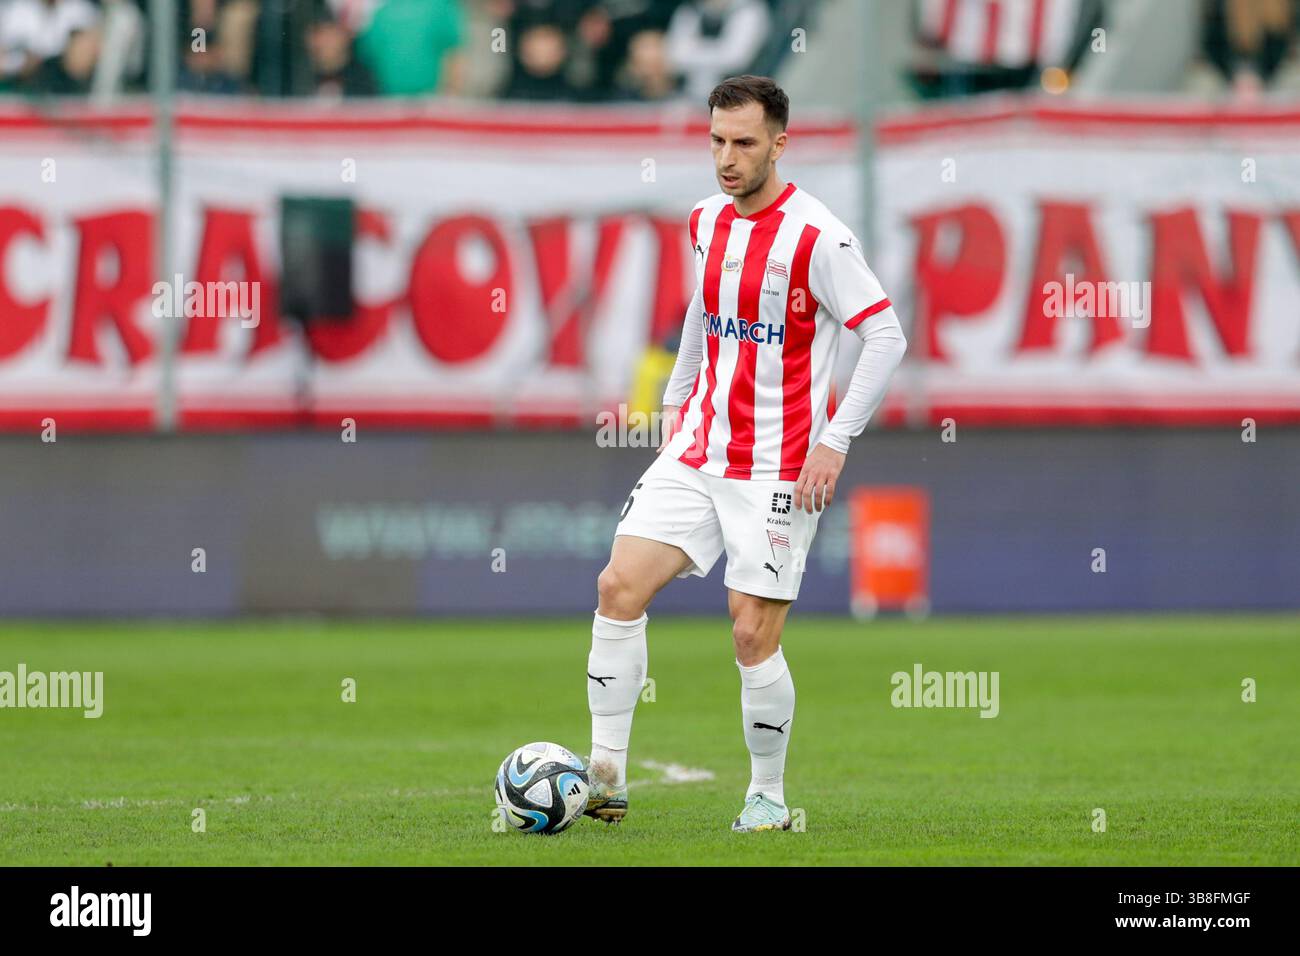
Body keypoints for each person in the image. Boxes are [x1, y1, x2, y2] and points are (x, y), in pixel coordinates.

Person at [584, 75, 908, 832]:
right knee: (616, 587)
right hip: (699, 449)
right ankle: (604, 776)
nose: (727, 159)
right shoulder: (704, 221)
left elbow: (886, 333)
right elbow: (703, 311)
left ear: (780, 144)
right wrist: (673, 404)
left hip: (779, 466)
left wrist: (835, 442)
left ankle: (766, 796)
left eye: (744, 144)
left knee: (749, 632)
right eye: (717, 141)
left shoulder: (818, 238)